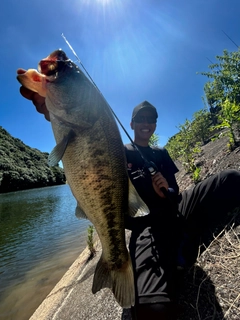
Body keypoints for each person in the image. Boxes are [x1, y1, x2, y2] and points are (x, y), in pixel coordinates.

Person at [19, 87, 240, 319]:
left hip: (176, 207)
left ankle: (184, 239)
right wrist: (57, 113)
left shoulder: (161, 152)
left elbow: (176, 190)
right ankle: (156, 260)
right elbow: (90, 156)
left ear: (155, 124)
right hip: (146, 227)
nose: (146, 123)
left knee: (231, 179)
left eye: (151, 119)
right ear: (131, 124)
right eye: (140, 119)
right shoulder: (118, 153)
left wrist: (167, 190)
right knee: (152, 310)